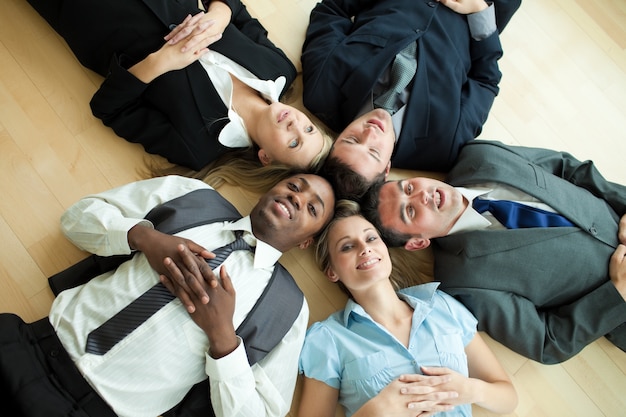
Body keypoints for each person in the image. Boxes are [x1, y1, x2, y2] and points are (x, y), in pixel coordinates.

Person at [0, 173, 336, 417]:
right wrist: (143, 238)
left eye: (312, 208)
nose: (297, 197)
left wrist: (222, 338)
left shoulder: (290, 310)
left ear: (305, 242)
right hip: (31, 346)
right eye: (293, 185)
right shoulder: (192, 196)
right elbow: (77, 218)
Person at [361, 139, 626, 364]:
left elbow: (568, 168)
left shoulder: (481, 154)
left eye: (408, 188)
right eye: (409, 211)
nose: (422, 196)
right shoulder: (463, 281)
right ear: (417, 242)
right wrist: (616, 294)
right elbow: (546, 342)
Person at [25, 0, 332, 172]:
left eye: (293, 143)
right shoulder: (281, 69)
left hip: (92, 14)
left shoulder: (197, 147)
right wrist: (219, 16)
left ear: (266, 157)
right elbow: (235, 11)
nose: (296, 125)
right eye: (308, 130)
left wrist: (161, 62)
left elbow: (109, 108)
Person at [298, 201, 517, 417]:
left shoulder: (442, 306)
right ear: (332, 271)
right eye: (347, 247)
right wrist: (374, 413)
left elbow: (508, 398)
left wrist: (470, 390)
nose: (365, 249)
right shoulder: (328, 339)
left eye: (371, 238)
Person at [302, 0, 520, 197]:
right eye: (374, 151)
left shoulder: (321, 89)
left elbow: (332, 10)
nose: (370, 132)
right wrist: (479, 11)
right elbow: (486, 80)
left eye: (352, 140)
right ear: (386, 168)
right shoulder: (444, 145)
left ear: (334, 141)